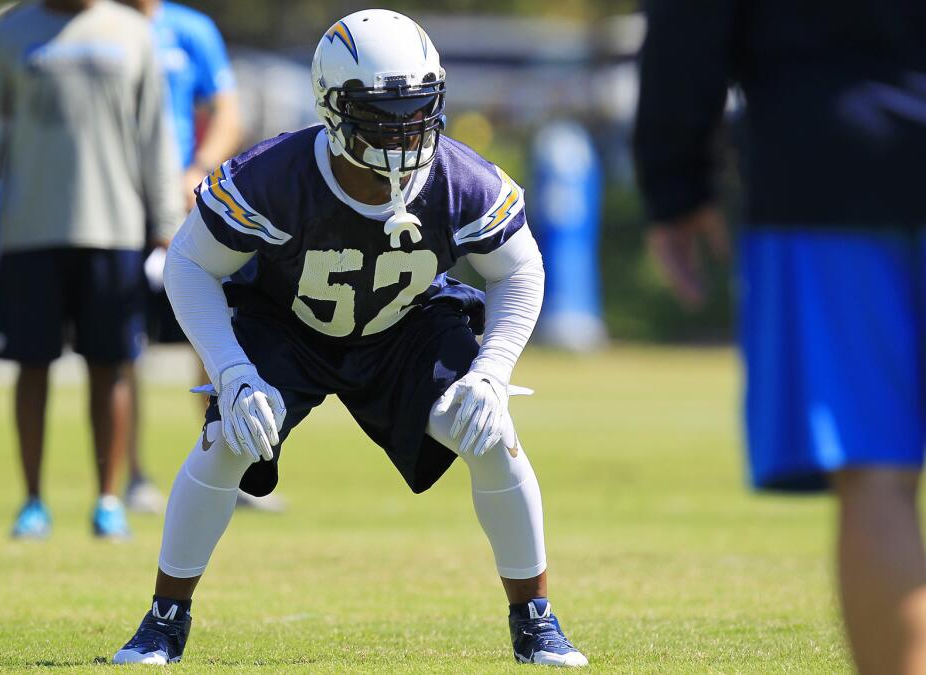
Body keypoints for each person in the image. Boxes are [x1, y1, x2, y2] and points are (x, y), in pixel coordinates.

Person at [111, 10, 588, 667]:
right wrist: (230, 370)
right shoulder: (274, 177)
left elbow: (521, 269)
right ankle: (165, 619)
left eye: (418, 111)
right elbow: (189, 265)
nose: (403, 133)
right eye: (382, 116)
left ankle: (535, 619)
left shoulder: (461, 179)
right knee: (228, 436)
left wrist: (494, 370)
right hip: (287, 320)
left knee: (487, 428)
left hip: (405, 324)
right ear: (334, 110)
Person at [634, 1, 926, 672]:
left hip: (830, 164)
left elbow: (691, 22)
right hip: (828, 168)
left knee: (876, 476)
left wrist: (674, 180)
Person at [0, 0, 184, 540]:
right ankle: (33, 501)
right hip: (28, 231)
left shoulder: (133, 32)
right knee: (31, 365)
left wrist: (166, 222)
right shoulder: (7, 34)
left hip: (114, 231)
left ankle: (108, 500)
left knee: (110, 366)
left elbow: (157, 134)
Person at [115, 0, 279, 514]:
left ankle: (229, 465)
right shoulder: (100, 26)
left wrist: (201, 171)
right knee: (122, 342)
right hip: (117, 202)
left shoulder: (191, 30)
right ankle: (132, 477)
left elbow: (226, 111)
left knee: (212, 334)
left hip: (185, 202)